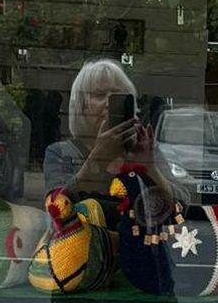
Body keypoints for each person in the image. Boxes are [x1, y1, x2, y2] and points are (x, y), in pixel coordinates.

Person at [43, 58, 154, 198]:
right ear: (81, 106)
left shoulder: (141, 148)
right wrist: (99, 157)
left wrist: (150, 167)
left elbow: (180, 207)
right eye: (100, 95)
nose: (108, 103)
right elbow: (58, 209)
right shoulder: (62, 153)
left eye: (118, 96)